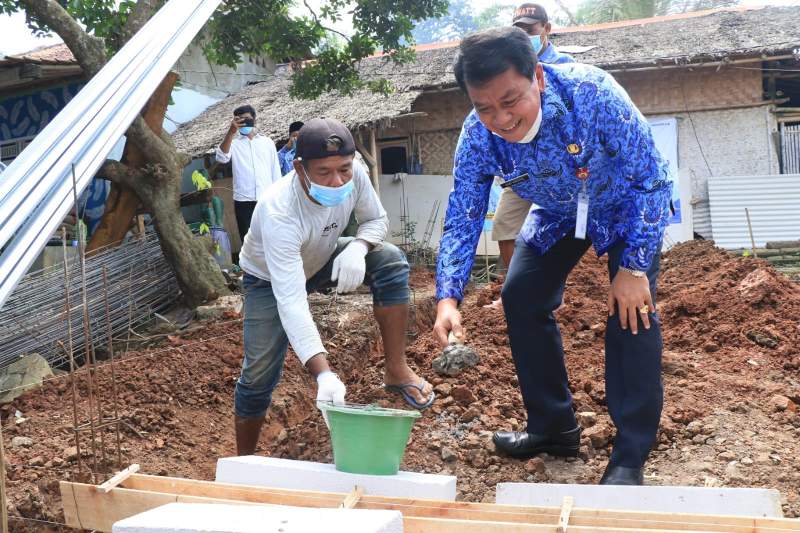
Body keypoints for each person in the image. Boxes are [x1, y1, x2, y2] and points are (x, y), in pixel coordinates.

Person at [433, 28, 671, 485]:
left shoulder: (593, 94)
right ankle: (553, 428)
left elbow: (653, 181)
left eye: (511, 100)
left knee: (632, 313)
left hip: (625, 204)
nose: (501, 119)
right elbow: (464, 215)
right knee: (520, 294)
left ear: (537, 77)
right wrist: (448, 298)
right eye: (484, 107)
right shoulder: (477, 137)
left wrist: (634, 266)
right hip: (560, 213)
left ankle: (630, 454)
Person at [234, 118, 435, 455]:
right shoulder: (278, 210)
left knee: (390, 260)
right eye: (324, 172)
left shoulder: (355, 174)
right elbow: (292, 302)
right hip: (269, 279)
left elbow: (376, 219)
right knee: (257, 375)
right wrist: (324, 375)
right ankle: (243, 461)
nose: (338, 179)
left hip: (324, 254)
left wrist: (359, 247)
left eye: (343, 168)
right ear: (299, 169)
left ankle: (397, 370)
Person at [487, 3, 575, 309]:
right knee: (505, 225)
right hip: (521, 168)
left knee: (565, 233)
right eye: (518, 31)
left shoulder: (565, 66)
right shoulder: (504, 70)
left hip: (563, 169)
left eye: (531, 30)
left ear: (546, 29)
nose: (525, 36)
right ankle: (515, 292)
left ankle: (555, 295)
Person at [215, 104, 282, 243]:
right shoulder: (233, 143)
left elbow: (275, 172)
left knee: (272, 238)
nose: (243, 122)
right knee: (248, 241)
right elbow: (221, 157)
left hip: (267, 199)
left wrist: (279, 198)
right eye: (239, 120)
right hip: (243, 200)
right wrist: (231, 131)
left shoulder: (267, 142)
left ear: (254, 120)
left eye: (247, 119)